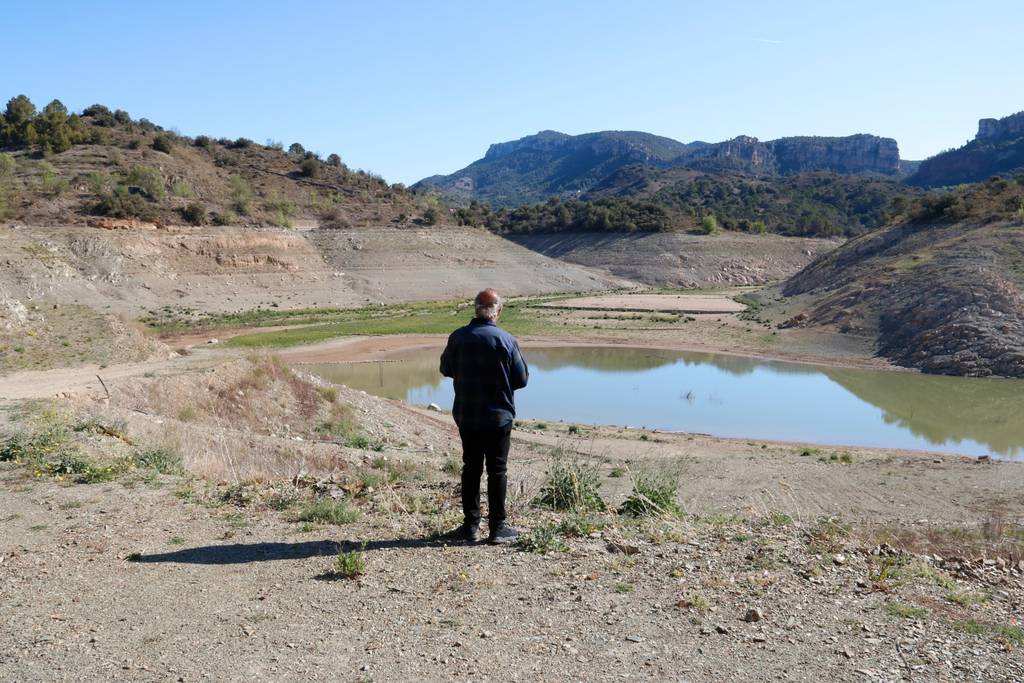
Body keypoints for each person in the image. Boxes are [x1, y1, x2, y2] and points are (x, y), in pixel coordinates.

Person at [440, 288, 529, 544]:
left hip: (467, 415)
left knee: (471, 469)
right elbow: (521, 380)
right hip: (499, 417)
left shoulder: (458, 338)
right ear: (498, 311)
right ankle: (497, 528)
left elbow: (445, 369)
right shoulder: (507, 340)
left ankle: (470, 527)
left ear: (476, 309)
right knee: (497, 470)